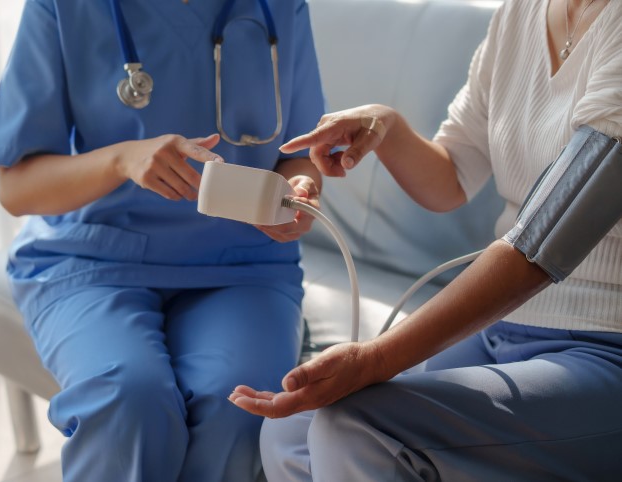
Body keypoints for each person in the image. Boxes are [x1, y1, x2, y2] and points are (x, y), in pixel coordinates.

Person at [229, 0, 622, 479]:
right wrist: (387, 127)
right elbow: (453, 175)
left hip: (604, 344)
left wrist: (376, 358)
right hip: (504, 328)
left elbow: (542, 245)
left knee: (358, 426)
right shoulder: (522, 12)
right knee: (290, 428)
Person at [0, 0, 325, 480]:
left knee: (241, 406)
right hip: (94, 256)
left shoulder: (279, 7)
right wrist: (122, 159)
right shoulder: (64, 7)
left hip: (243, 263)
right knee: (126, 399)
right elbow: (16, 187)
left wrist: (301, 192)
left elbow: (302, 153)